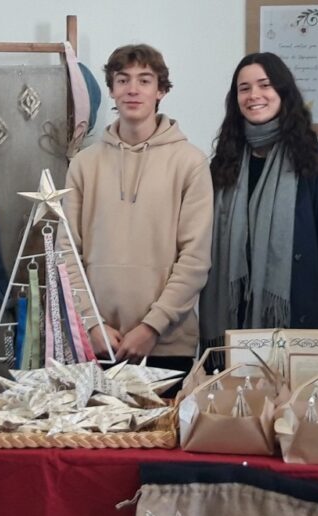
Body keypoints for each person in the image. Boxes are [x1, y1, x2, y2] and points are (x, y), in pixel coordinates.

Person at [60, 44, 213, 376]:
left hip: (167, 345)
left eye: (144, 80)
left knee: (163, 431)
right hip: (97, 343)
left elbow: (195, 258)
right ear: (112, 90)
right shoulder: (84, 164)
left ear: (161, 90)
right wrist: (90, 324)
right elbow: (66, 253)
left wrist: (152, 327)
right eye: (122, 79)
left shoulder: (191, 162)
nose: (132, 89)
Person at [199, 52, 318, 351]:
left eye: (265, 85)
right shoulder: (222, 165)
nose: (254, 95)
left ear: (283, 92)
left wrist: (308, 294)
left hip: (294, 320)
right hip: (231, 322)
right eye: (244, 88)